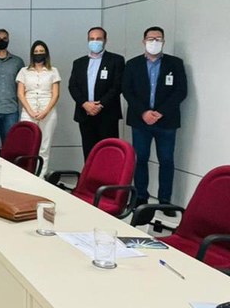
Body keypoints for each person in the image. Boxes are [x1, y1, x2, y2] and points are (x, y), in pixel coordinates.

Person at [122, 27, 187, 213]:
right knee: (141, 158)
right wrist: (144, 112)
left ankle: (165, 200)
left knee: (166, 160)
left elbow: (181, 91)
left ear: (163, 42)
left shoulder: (175, 63)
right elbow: (127, 90)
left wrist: (160, 112)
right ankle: (141, 197)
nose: (154, 42)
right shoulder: (132, 64)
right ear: (143, 41)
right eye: (151, 39)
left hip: (166, 121)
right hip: (140, 121)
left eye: (158, 39)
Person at [67, 27, 125, 160]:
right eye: (92, 39)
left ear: (105, 40)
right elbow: (73, 86)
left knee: (109, 154)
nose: (95, 42)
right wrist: (85, 104)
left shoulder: (116, 60)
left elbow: (117, 86)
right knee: (89, 154)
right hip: (85, 114)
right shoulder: (79, 63)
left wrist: (100, 104)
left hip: (107, 114)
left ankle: (108, 175)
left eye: (98, 39)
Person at [16, 40, 61, 177]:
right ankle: (27, 175)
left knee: (44, 147)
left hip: (48, 111)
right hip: (28, 111)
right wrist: (30, 111)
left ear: (46, 53)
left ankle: (41, 176)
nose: (38, 54)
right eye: (36, 52)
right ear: (32, 54)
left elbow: (56, 94)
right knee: (27, 146)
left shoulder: (53, 71)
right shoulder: (24, 71)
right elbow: (20, 93)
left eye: (41, 51)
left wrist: (45, 111)